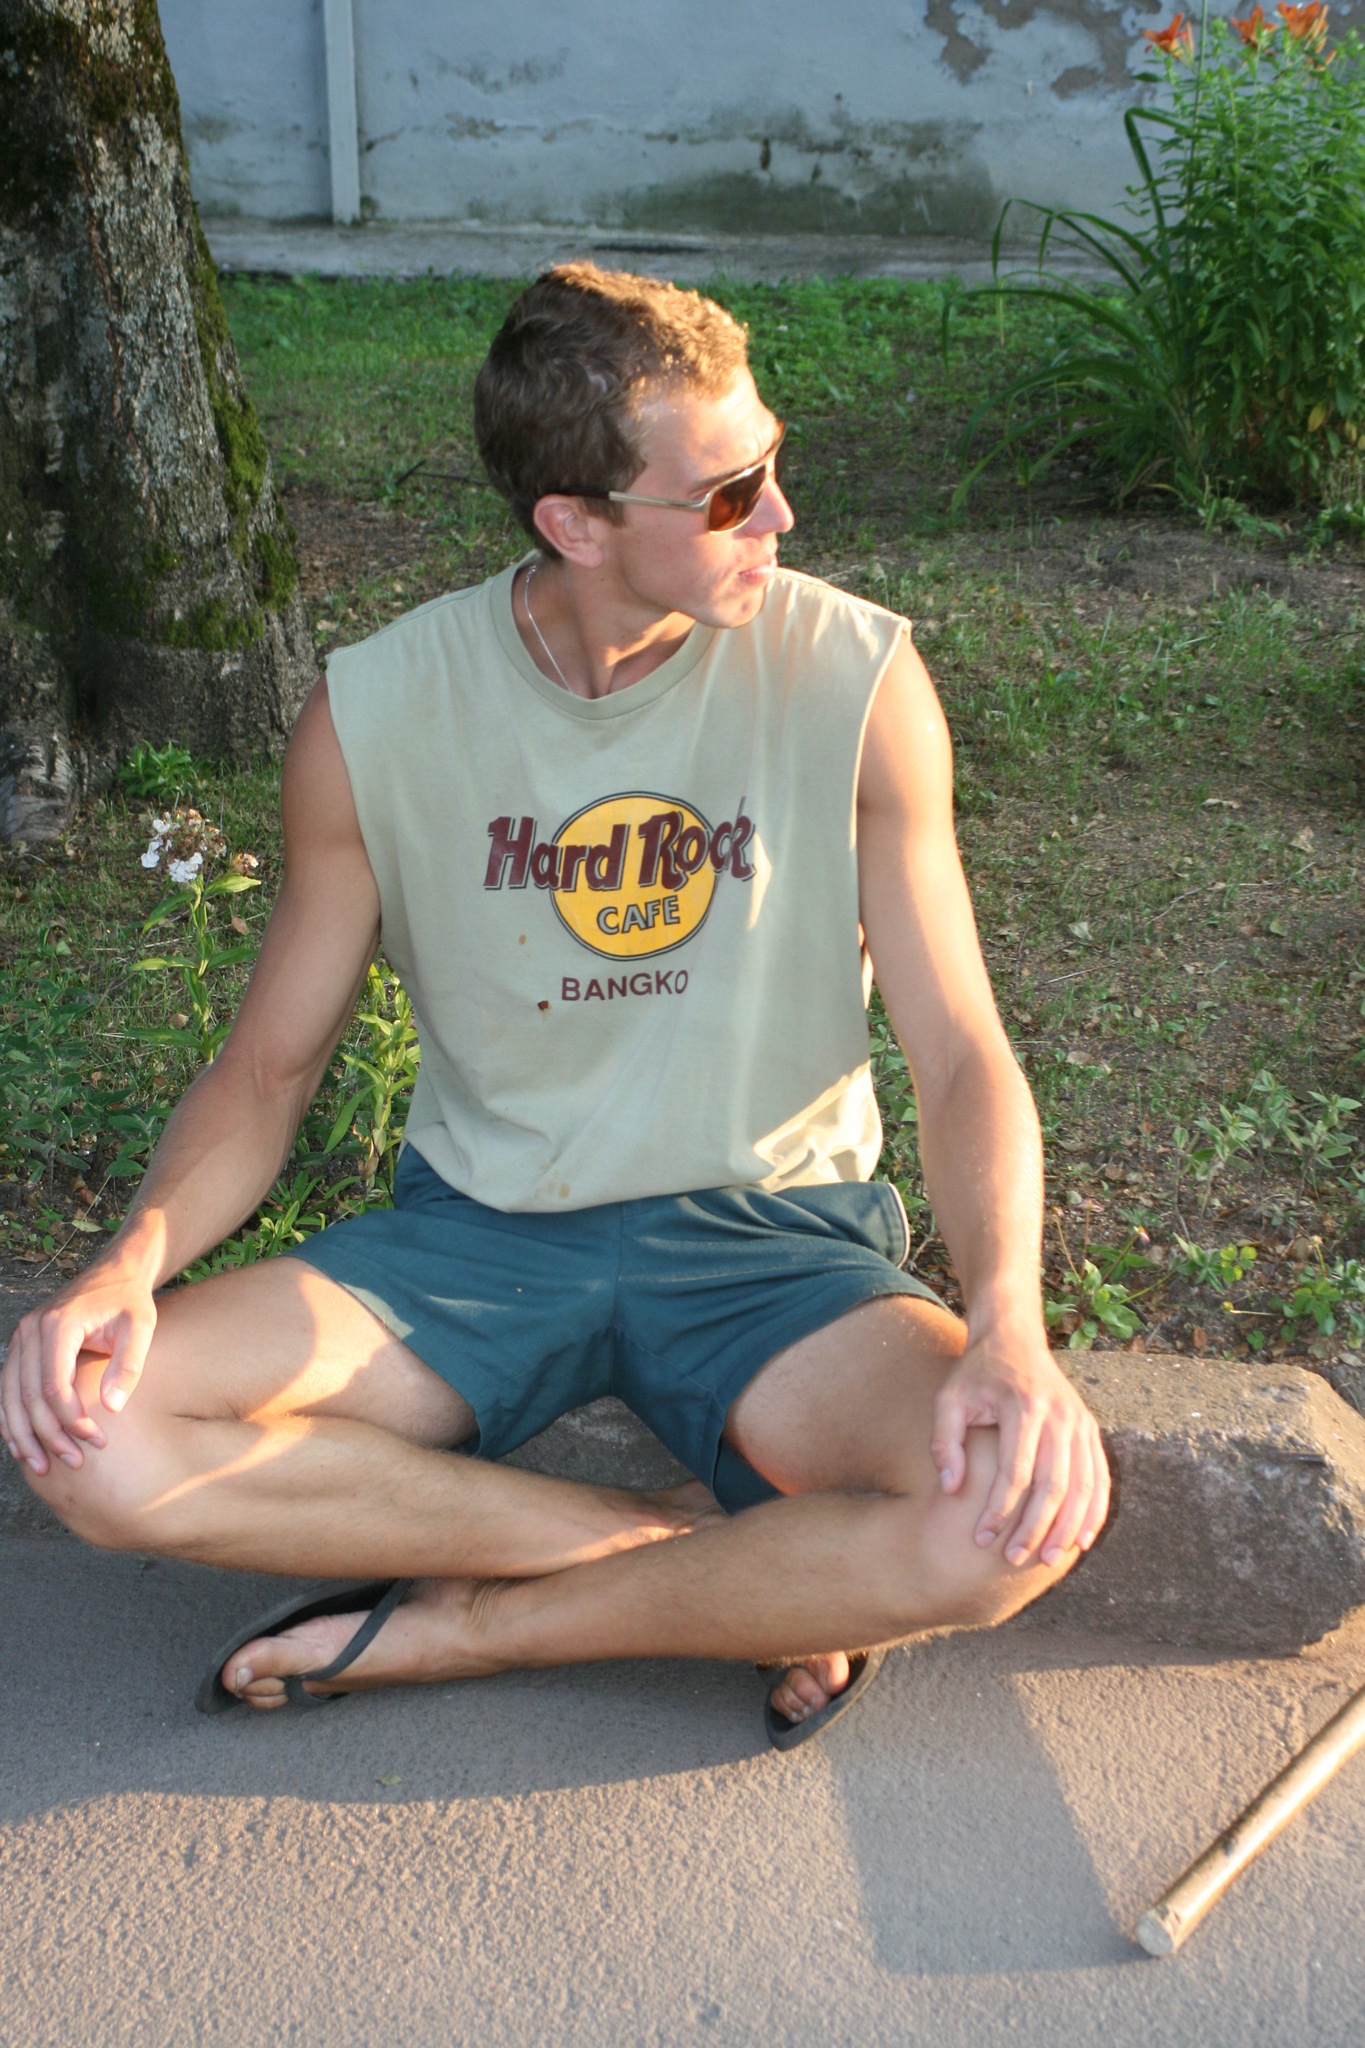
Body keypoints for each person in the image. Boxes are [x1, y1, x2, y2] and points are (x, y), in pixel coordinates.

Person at [1, 264, 1109, 1746]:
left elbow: (961, 1051)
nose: (779, 517)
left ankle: (482, 1627)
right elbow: (267, 1071)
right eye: (726, 495)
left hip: (770, 1244)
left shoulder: (855, 680)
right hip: (480, 1236)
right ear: (576, 525)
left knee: (1008, 1522)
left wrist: (1008, 1330)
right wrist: (123, 1268)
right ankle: (680, 1555)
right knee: (92, 1441)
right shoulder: (380, 712)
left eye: (771, 463)